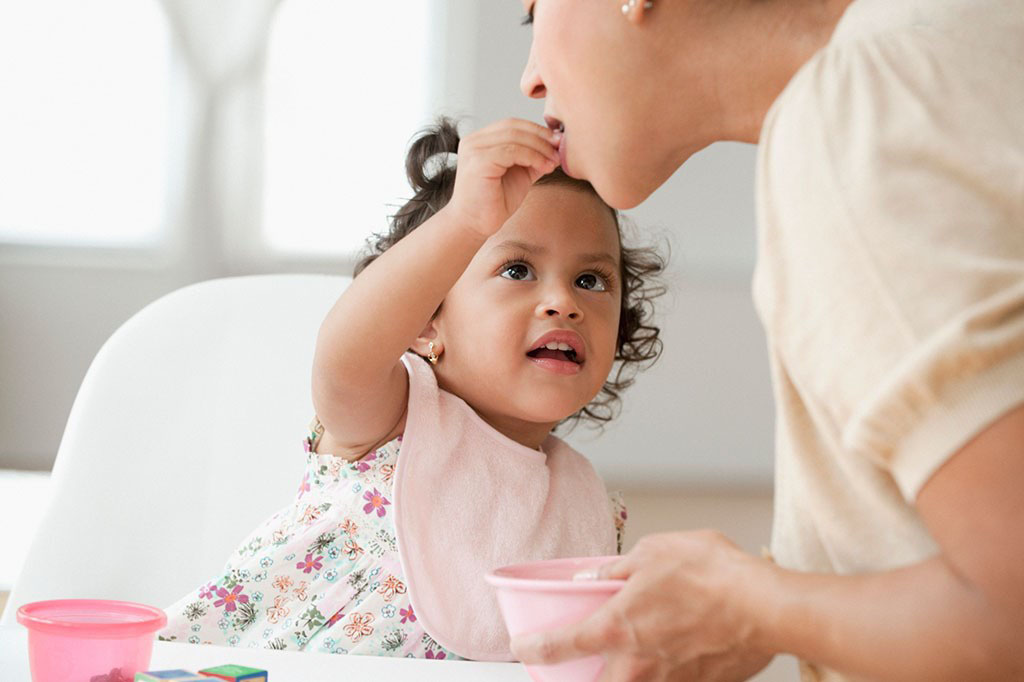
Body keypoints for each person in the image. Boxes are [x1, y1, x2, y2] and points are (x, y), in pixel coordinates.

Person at [512, 0, 1024, 680]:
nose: (530, 80)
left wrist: (749, 604)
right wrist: (776, 606)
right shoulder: (973, 32)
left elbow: (1010, 610)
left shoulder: (851, 113)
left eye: (531, 13)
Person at [158, 117, 665, 660]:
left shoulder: (584, 505)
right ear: (424, 322)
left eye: (591, 281)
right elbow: (344, 359)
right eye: (517, 270)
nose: (563, 301)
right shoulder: (391, 424)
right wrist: (467, 221)